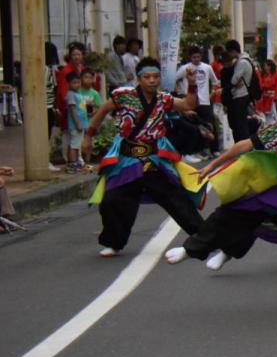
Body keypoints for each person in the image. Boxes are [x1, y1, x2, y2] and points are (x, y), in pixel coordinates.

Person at [163, 77, 277, 309]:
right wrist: (212, 165)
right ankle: (189, 249)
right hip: (266, 189)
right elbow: (242, 146)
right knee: (229, 216)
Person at [81, 57, 205, 257]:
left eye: (156, 76)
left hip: (153, 160)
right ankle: (113, 242)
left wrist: (191, 84)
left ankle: (204, 239)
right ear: (139, 78)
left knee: (176, 199)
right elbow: (102, 110)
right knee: (113, 200)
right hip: (126, 160)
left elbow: (188, 104)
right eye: (147, 77)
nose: (152, 80)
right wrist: (88, 136)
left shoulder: (164, 99)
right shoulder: (123, 96)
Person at [176, 47, 219, 158]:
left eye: (198, 56)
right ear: (190, 57)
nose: (196, 59)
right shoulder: (185, 68)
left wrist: (211, 95)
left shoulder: (207, 67)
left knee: (209, 125)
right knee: (195, 126)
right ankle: (198, 150)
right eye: (194, 57)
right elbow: (174, 79)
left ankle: (214, 149)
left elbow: (215, 82)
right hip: (191, 101)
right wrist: (181, 92)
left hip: (205, 101)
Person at [221, 40, 256, 142]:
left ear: (232, 51)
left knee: (240, 125)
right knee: (238, 124)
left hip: (240, 97)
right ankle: (240, 148)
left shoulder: (241, 62)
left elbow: (234, 80)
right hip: (239, 97)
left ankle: (243, 148)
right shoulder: (245, 60)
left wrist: (232, 84)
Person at [64, 70, 88, 172]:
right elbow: (73, 110)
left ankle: (74, 162)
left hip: (81, 123)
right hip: (76, 125)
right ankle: (72, 164)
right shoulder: (71, 95)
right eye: (74, 83)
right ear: (69, 83)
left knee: (76, 144)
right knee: (74, 145)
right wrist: (78, 124)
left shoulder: (77, 94)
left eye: (78, 82)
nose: (77, 85)